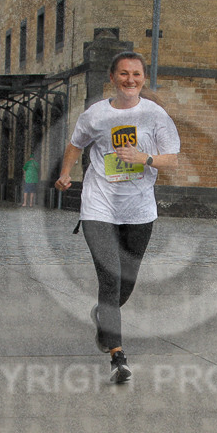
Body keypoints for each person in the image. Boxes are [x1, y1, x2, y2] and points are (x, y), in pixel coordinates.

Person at [54, 51, 180, 383]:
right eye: (123, 73)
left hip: (138, 210)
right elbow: (75, 144)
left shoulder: (156, 115)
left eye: (136, 74)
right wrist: (65, 173)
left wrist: (144, 158)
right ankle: (117, 356)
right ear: (112, 78)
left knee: (126, 283)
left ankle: (103, 315)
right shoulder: (95, 115)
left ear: (143, 78)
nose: (130, 79)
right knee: (110, 278)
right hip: (99, 207)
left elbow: (172, 159)